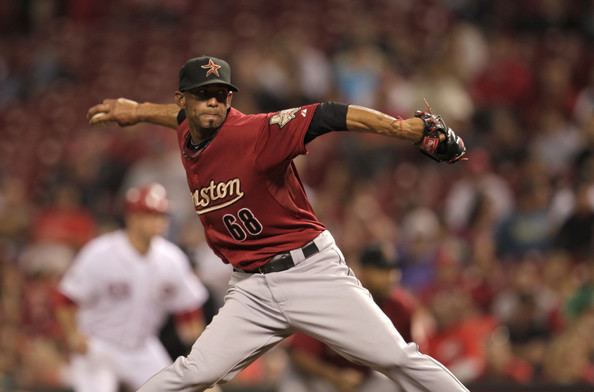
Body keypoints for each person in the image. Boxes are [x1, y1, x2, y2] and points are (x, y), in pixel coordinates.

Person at [87, 55, 468, 392]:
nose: (213, 103)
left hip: (310, 273)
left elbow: (327, 114)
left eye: (221, 95)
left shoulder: (255, 132)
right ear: (183, 99)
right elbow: (177, 119)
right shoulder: (189, 126)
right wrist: (137, 111)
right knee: (193, 373)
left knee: (396, 358)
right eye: (203, 94)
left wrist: (398, 129)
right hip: (251, 287)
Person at [56, 183, 213, 392]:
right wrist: (73, 334)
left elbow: (189, 311)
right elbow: (66, 298)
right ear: (132, 217)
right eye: (150, 215)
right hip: (99, 346)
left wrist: (200, 363)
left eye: (161, 215)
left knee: (176, 389)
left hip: (143, 347)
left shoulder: (171, 258)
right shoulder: (100, 253)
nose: (158, 221)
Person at [279, 244, 427, 392]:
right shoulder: (335, 299)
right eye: (382, 270)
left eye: (393, 270)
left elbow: (412, 357)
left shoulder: (401, 307)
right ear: (363, 271)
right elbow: (299, 354)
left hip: (361, 380)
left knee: (392, 385)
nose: (391, 277)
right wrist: (336, 377)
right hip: (319, 376)